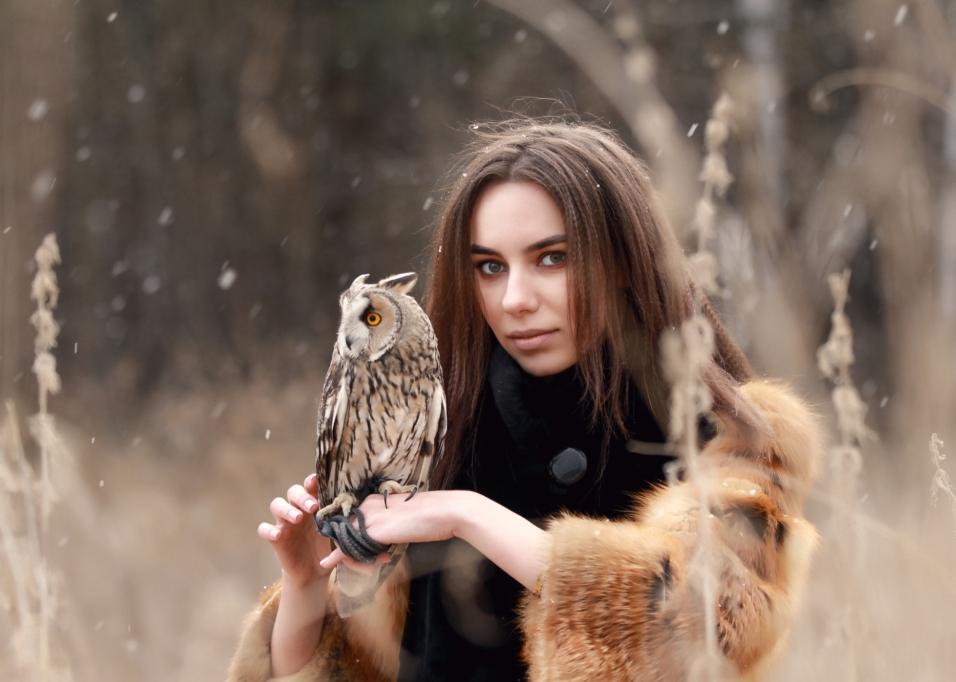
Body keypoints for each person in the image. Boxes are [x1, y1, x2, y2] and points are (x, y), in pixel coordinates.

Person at [227, 119, 822, 682]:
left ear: (621, 259)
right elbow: (355, 670)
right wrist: (306, 582)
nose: (514, 298)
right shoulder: (446, 424)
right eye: (489, 266)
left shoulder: (731, 439)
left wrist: (469, 514)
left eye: (552, 258)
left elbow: (694, 634)